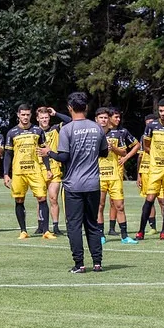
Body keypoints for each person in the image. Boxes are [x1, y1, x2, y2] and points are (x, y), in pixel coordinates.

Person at [42, 92, 108, 273]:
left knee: (74, 225)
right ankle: (97, 263)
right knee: (92, 224)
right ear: (86, 108)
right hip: (93, 183)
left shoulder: (67, 129)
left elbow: (64, 156)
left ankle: (79, 264)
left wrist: (49, 152)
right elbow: (104, 153)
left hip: (73, 185)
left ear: (70, 108)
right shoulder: (97, 128)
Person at [4, 104, 54, 239]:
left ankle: (46, 231)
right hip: (18, 172)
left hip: (35, 171)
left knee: (42, 198)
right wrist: (5, 174)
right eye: (23, 114)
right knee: (19, 200)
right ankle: (23, 231)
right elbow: (8, 154)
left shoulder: (38, 131)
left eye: (27, 115)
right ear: (18, 115)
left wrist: (48, 169)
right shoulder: (12, 132)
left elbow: (44, 152)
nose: (25, 117)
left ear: (31, 115)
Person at [136, 98, 164, 241]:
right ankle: (141, 231)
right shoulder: (152, 126)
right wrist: (157, 156)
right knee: (150, 197)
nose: (163, 113)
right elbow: (146, 145)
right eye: (161, 111)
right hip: (155, 167)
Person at [95, 107, 137, 245]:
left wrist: (113, 148)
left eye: (105, 118)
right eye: (101, 118)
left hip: (114, 176)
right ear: (96, 119)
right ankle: (101, 235)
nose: (103, 120)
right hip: (99, 176)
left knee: (119, 206)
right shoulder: (94, 134)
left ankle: (124, 236)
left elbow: (124, 153)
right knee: (99, 206)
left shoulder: (118, 134)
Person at [36, 106, 71, 235]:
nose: (44, 120)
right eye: (42, 118)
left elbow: (70, 121)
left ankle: (56, 226)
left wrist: (56, 113)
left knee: (53, 198)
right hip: (39, 167)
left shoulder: (56, 128)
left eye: (46, 117)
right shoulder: (34, 131)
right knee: (40, 198)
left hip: (55, 166)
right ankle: (41, 225)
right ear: (37, 118)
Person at [105, 107, 140, 237]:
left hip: (117, 170)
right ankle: (110, 228)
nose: (118, 120)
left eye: (119, 117)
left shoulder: (122, 132)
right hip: (103, 171)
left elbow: (137, 145)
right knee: (105, 202)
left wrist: (126, 157)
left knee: (116, 201)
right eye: (116, 117)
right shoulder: (102, 131)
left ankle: (113, 228)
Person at [135, 114, 158, 235]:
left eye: (151, 122)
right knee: (149, 199)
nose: (149, 125)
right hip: (145, 170)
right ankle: (152, 226)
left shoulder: (161, 135)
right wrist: (138, 175)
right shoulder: (143, 137)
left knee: (163, 199)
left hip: (159, 169)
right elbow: (139, 156)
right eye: (147, 122)